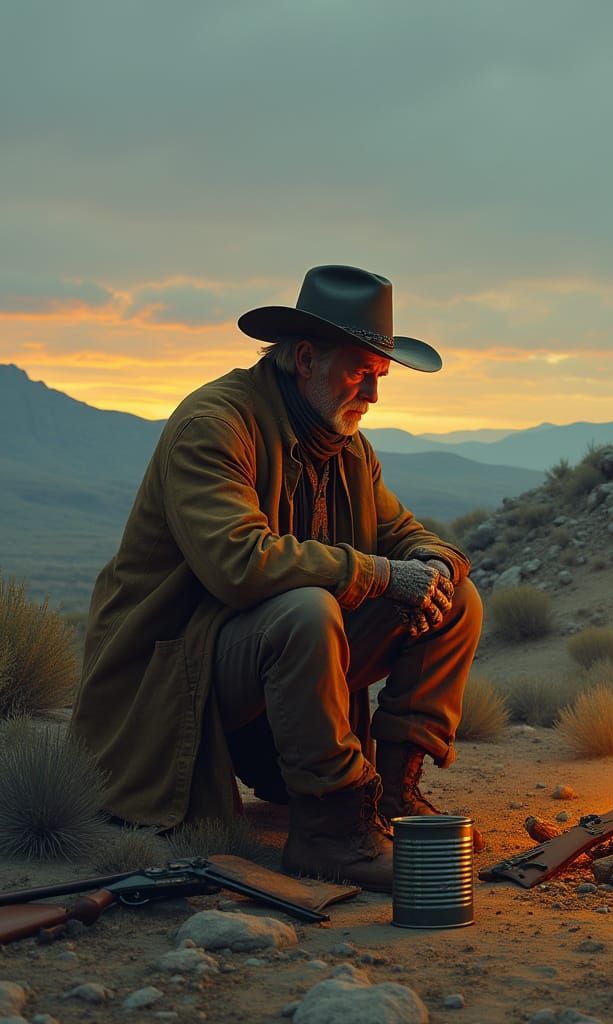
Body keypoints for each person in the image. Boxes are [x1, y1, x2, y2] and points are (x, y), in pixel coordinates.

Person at [70, 265, 483, 892]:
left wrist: (437, 566)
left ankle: (393, 798)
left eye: (380, 376)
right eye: (359, 372)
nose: (372, 395)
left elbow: (406, 537)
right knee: (307, 610)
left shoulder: (346, 445)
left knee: (456, 602)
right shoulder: (216, 424)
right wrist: (380, 573)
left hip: (264, 673)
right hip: (174, 675)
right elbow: (239, 564)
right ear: (306, 358)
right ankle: (330, 832)